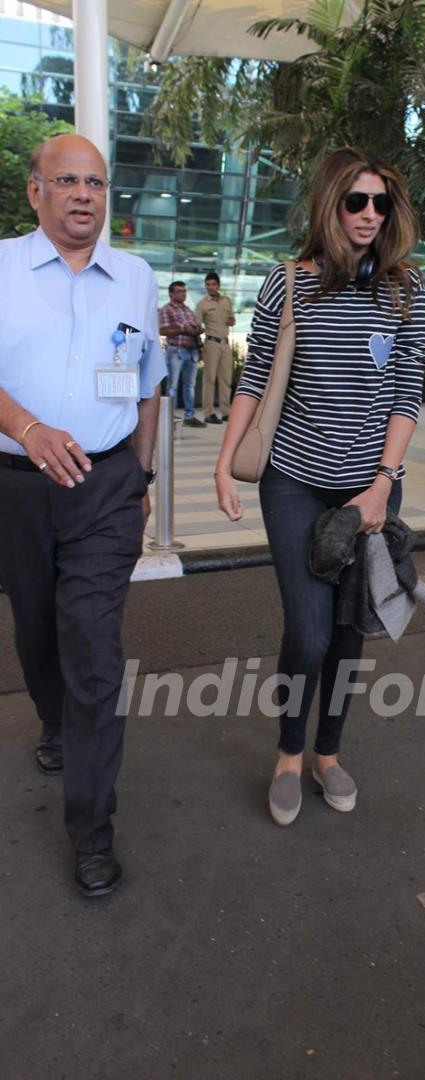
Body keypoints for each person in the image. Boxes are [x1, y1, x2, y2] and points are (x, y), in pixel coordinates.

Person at [214, 147, 425, 826]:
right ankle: (287, 751)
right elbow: (253, 381)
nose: (369, 215)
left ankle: (327, 755)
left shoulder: (406, 290)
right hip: (294, 482)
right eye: (355, 201)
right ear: (330, 204)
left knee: (348, 632)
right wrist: (224, 465)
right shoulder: (289, 283)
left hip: (370, 488)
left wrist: (381, 486)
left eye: (380, 203)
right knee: (307, 633)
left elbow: (407, 393)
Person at [0, 134, 165, 897]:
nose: (82, 194)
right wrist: (29, 429)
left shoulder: (134, 277)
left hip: (104, 490)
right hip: (19, 486)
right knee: (37, 632)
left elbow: (148, 383)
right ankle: (54, 723)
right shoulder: (1, 268)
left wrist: (143, 471)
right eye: (65, 180)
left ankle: (91, 832)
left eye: (95, 182)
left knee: (94, 651)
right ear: (35, 192)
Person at [159, 280, 205, 427]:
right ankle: (169, 417)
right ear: (171, 293)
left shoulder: (188, 310)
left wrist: (200, 347)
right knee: (172, 385)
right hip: (176, 350)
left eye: (184, 291)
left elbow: (194, 330)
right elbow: (163, 330)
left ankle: (189, 416)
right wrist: (183, 329)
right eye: (179, 291)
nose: (183, 294)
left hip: (191, 350)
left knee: (190, 385)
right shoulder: (167, 310)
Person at [195, 271, 235, 424]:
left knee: (226, 379)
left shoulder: (226, 301)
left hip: (225, 342)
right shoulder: (202, 304)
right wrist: (199, 346)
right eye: (207, 284)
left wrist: (231, 321)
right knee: (209, 379)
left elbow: (232, 319)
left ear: (218, 285)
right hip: (211, 342)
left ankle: (226, 412)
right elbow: (197, 325)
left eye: (212, 284)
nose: (210, 287)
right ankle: (208, 412)